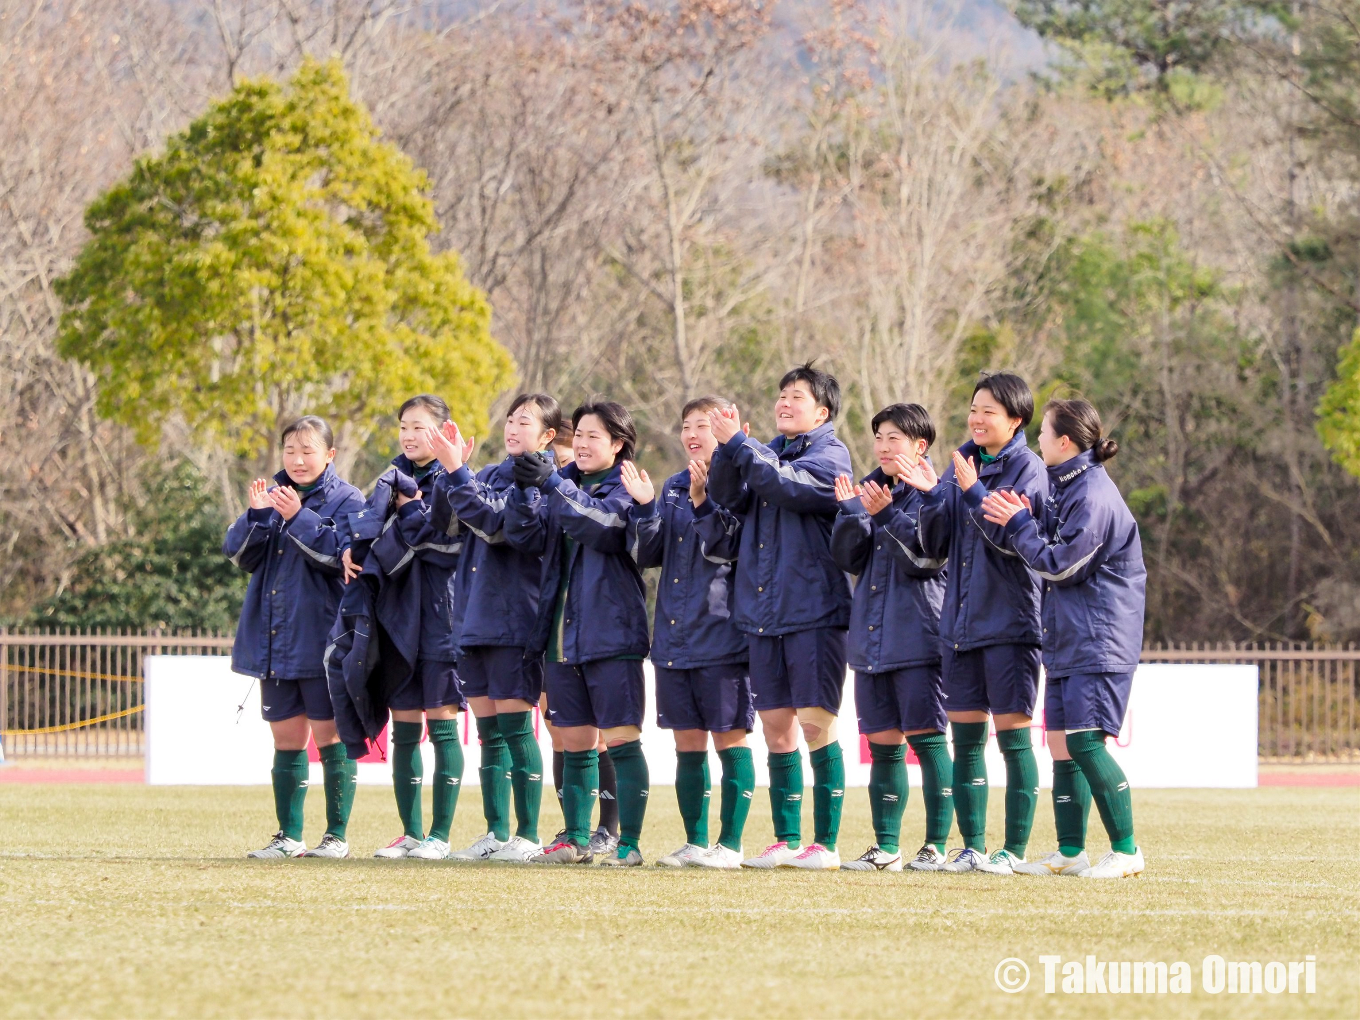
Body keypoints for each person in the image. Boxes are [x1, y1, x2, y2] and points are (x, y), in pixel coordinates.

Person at [980, 398, 1147, 879]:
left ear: (1065, 442)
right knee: (1061, 744)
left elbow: (1062, 565)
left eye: (1044, 433)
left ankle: (1127, 850)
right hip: (1069, 638)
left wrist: (1018, 524)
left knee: (1087, 743)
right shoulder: (1067, 486)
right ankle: (1070, 851)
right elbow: (1050, 542)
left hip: (1099, 639)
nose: (1037, 442)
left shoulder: (1094, 493)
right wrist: (1025, 517)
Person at [699, 361, 854, 870]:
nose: (784, 403)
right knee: (775, 729)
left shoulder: (832, 456)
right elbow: (726, 497)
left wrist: (742, 449)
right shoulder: (760, 451)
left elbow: (789, 487)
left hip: (813, 611)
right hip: (762, 613)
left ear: (822, 411)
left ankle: (825, 844)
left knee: (815, 726)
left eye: (797, 397)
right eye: (781, 394)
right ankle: (788, 838)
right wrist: (727, 449)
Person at [896, 372, 1049, 874]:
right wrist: (930, 496)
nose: (977, 419)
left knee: (1013, 739)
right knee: (965, 743)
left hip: (1009, 624)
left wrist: (970, 490)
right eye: (973, 408)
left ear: (1016, 420)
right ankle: (973, 847)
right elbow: (934, 546)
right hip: (958, 628)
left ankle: (1014, 851)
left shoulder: (1028, 468)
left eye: (989, 411)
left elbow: (1011, 541)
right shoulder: (960, 464)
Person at [506, 402, 652, 865]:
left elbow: (604, 527)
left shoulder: (626, 486)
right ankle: (573, 838)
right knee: (572, 740)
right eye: (580, 434)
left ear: (618, 444)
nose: (584, 444)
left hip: (611, 634)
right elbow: (524, 538)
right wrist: (527, 490)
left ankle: (627, 842)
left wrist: (551, 483)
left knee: (622, 739)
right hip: (558, 636)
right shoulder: (560, 483)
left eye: (595, 437)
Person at [427, 394, 562, 862]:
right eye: (510, 419)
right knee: (488, 733)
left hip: (515, 620)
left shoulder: (548, 483)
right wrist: (452, 472)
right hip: (472, 618)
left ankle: (528, 835)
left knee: (516, 728)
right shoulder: (484, 474)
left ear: (548, 436)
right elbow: (443, 527)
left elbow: (500, 527)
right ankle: (495, 832)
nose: (512, 427)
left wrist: (457, 474)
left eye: (525, 422)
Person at [624, 396, 756, 869]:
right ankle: (695, 842)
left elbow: (727, 549)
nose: (694, 433)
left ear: (730, 428)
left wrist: (704, 502)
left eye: (705, 424)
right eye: (687, 425)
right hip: (674, 639)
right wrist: (644, 508)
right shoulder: (674, 486)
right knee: (687, 743)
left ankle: (730, 845)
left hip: (722, 635)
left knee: (729, 739)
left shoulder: (742, 484)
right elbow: (650, 553)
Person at [224, 416, 364, 859]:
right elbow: (239, 556)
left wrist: (297, 517)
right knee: (285, 740)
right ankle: (288, 836)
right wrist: (259, 515)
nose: (298, 460)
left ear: (329, 455)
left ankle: (336, 837)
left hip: (323, 640)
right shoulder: (272, 496)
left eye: (308, 451)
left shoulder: (348, 498)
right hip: (273, 641)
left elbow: (341, 557)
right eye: (290, 451)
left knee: (330, 738)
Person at [830, 403, 954, 872]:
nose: (883, 445)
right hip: (871, 641)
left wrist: (884, 516)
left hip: (919, 638)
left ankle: (936, 846)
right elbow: (848, 559)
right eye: (879, 436)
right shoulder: (871, 490)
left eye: (894, 438)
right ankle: (885, 847)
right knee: (883, 746)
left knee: (927, 743)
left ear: (920, 446)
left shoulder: (936, 494)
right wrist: (850, 512)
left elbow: (926, 561)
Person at [355, 394, 468, 861]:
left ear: (443, 431)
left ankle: (440, 837)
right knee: (403, 728)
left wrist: (411, 512)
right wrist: (353, 549)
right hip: (397, 619)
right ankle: (412, 833)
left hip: (442, 618)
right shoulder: (387, 480)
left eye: (419, 427)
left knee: (441, 724)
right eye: (404, 426)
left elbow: (450, 546)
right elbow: (361, 531)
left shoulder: (458, 479)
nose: (408, 435)